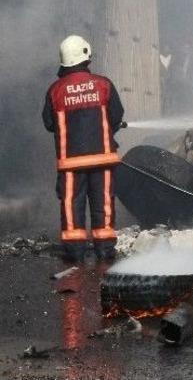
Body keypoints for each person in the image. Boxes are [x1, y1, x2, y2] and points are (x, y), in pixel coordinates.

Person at [42, 35, 125, 262]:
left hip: (71, 165)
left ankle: (75, 254)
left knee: (72, 207)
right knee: (103, 206)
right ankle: (105, 252)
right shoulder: (104, 84)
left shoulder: (55, 90)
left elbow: (49, 124)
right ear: (86, 56)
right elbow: (116, 116)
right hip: (102, 160)